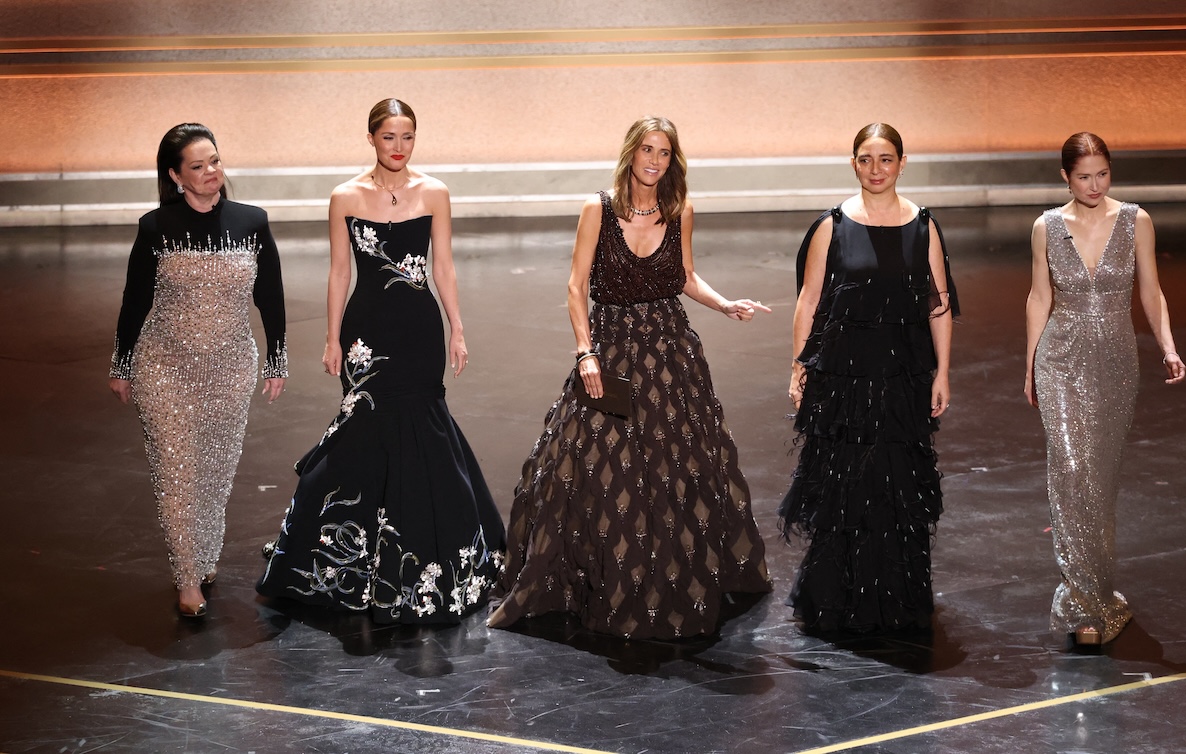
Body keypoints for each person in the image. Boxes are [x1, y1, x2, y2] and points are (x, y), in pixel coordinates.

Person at [488, 116, 773, 640]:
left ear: (673, 161)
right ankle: (592, 575)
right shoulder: (598, 209)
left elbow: (684, 276)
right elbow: (576, 287)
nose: (655, 161)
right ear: (630, 153)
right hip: (612, 349)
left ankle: (668, 571)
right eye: (647, 149)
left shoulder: (680, 210)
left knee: (677, 465)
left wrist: (724, 303)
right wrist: (585, 353)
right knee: (596, 465)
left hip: (669, 352)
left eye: (664, 153)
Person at [257, 99, 505, 624]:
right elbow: (339, 272)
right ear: (371, 137)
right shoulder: (345, 196)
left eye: (408, 137)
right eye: (389, 136)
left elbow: (443, 266)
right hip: (365, 330)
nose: (399, 146)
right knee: (364, 431)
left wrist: (458, 328)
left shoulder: (434, 192)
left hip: (418, 327)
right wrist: (330, 338)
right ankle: (349, 558)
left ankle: (422, 557)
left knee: (421, 426)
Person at [781, 122, 958, 635]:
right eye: (866, 159)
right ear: (853, 163)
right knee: (846, 486)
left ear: (902, 163)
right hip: (844, 380)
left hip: (902, 379)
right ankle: (838, 597)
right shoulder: (831, 226)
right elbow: (808, 302)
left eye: (885, 159)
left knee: (897, 488)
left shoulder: (923, 225)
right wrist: (799, 368)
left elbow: (939, 305)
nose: (876, 169)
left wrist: (943, 372)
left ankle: (897, 596)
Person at [110, 123, 288, 619]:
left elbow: (269, 294)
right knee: (177, 472)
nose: (212, 172)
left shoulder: (252, 222)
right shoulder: (155, 227)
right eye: (198, 166)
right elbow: (134, 301)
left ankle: (202, 554)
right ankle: (189, 576)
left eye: (215, 161)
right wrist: (121, 363)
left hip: (230, 367)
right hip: (163, 367)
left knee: (214, 474)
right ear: (175, 175)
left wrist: (276, 358)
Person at [1025, 132, 1186, 646]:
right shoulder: (1046, 228)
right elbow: (1037, 297)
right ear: (1065, 178)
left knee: (1100, 481)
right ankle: (1083, 606)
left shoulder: (1135, 220)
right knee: (1071, 472)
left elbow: (1152, 290)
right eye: (1083, 176)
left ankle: (1098, 594)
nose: (1094, 185)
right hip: (1060, 359)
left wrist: (1169, 347)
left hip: (1115, 361)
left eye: (1102, 173)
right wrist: (1029, 364)